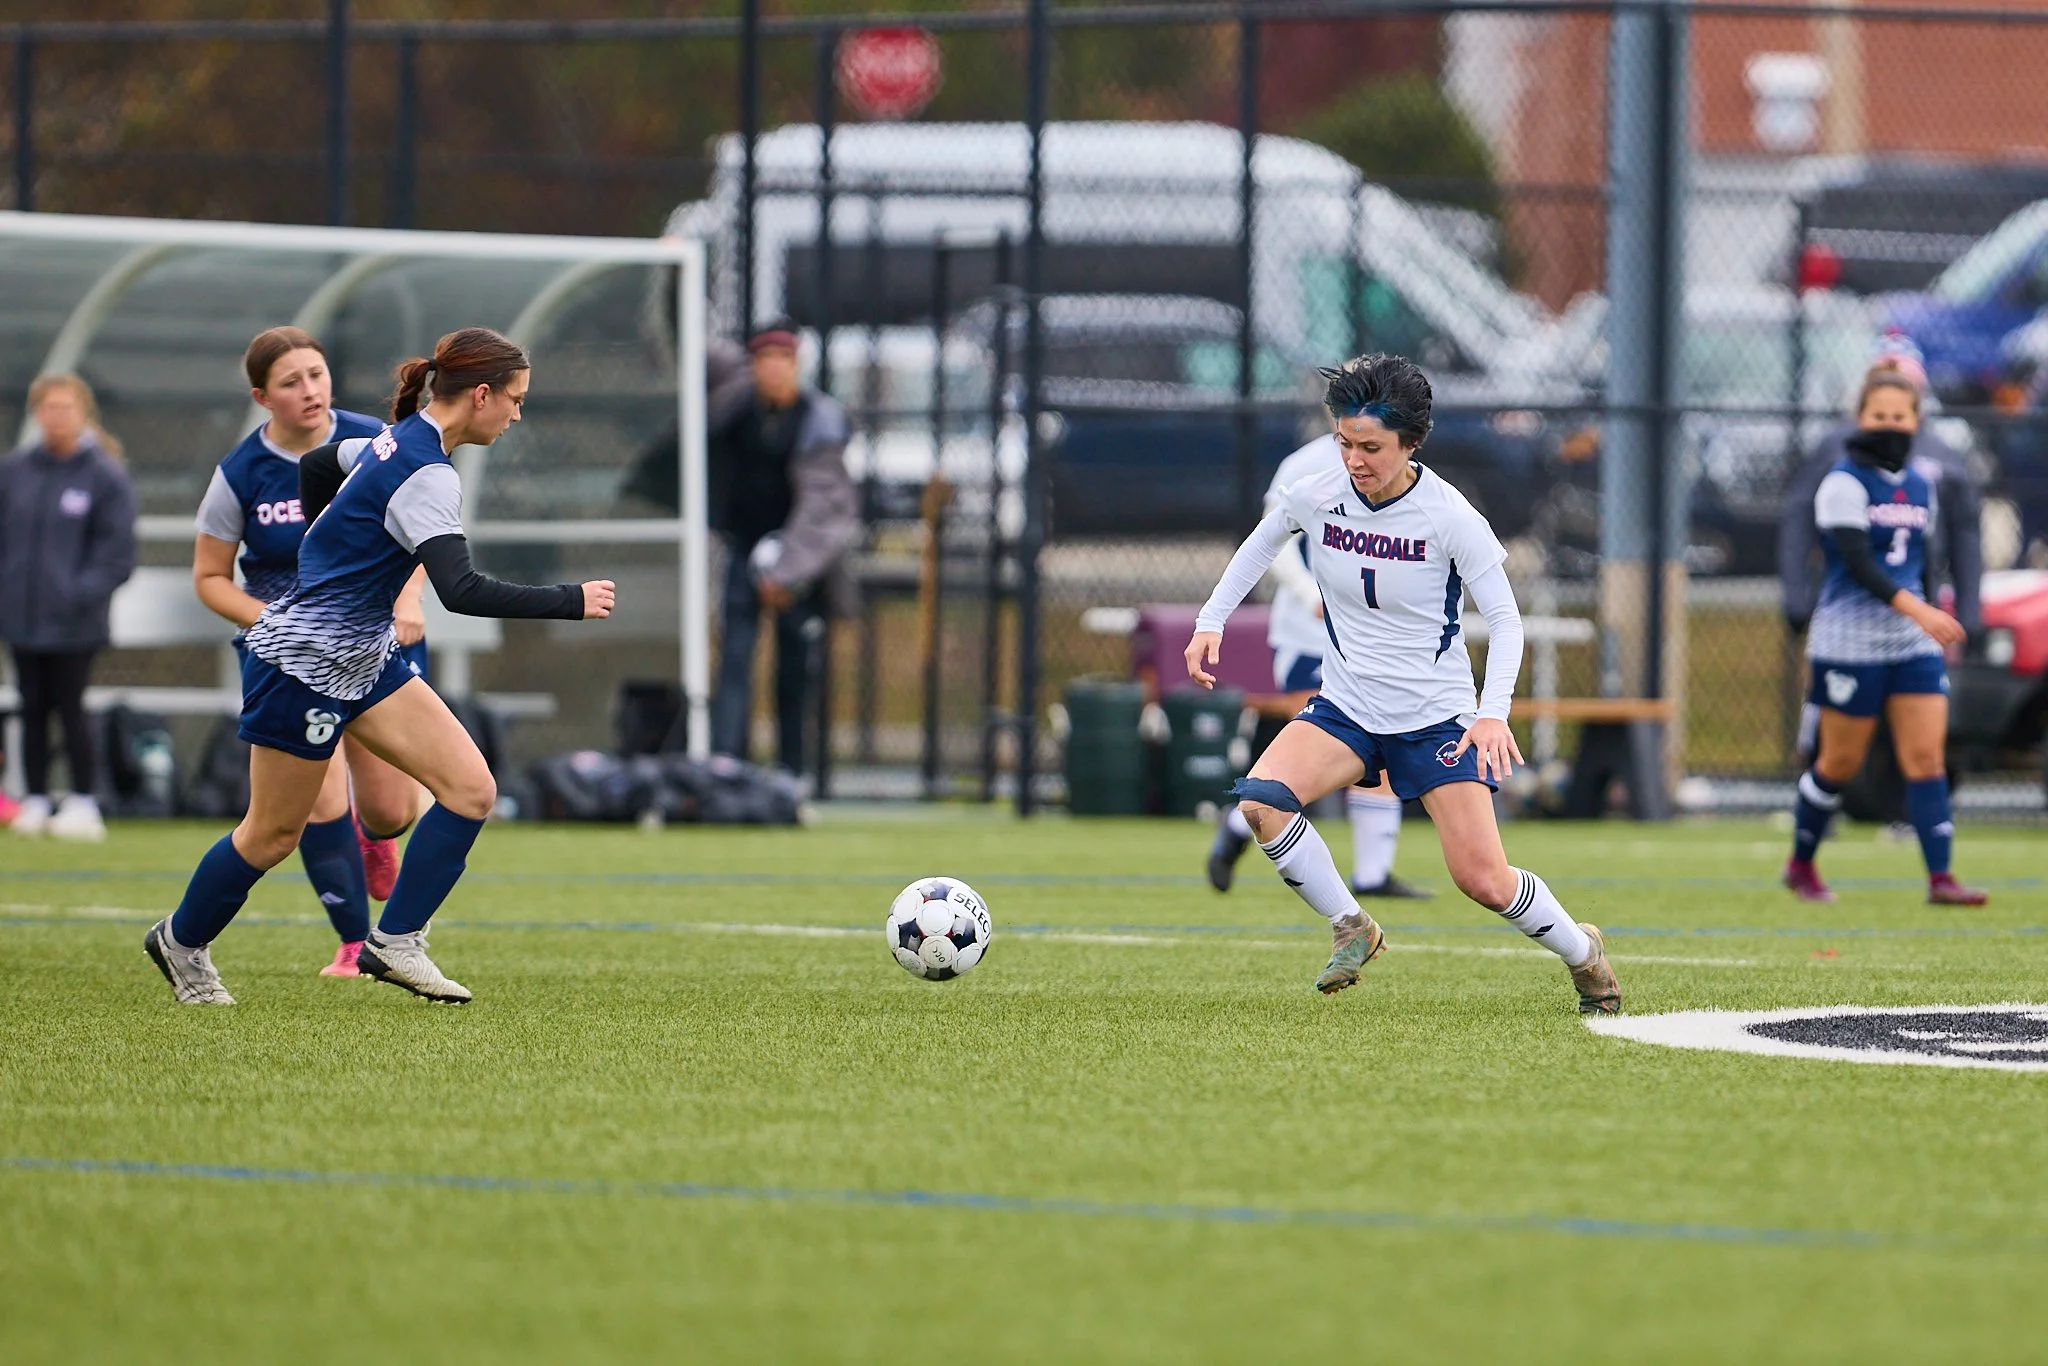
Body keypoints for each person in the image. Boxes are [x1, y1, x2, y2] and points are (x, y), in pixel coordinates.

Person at [144, 327, 617, 1006]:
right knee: (271, 835)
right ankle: (180, 941)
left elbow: (319, 466)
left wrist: (329, 546)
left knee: (470, 790)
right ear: (481, 395)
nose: (518, 414)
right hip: (303, 664)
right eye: (516, 399)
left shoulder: (395, 439)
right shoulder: (427, 472)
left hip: (366, 659)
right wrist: (571, 600)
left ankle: (395, 942)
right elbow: (462, 590)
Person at [1184, 354, 1620, 1013]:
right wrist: (1210, 621)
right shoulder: (1318, 492)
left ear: (1412, 442)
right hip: (1347, 707)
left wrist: (1492, 713)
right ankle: (1351, 925)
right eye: (1344, 443)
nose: (1353, 460)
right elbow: (1262, 542)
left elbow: (1506, 621)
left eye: (1371, 448)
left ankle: (1584, 953)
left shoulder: (1449, 516)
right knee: (1263, 802)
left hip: (1435, 718)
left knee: (1483, 880)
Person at [192, 325, 427, 977]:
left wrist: (408, 600)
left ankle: (374, 838)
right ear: (262, 398)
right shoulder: (241, 473)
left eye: (316, 375)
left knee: (390, 809)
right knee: (315, 803)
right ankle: (354, 943)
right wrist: (276, 620)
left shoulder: (374, 444)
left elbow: (423, 531)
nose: (309, 390)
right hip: (288, 658)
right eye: (291, 382)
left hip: (373, 641)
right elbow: (209, 578)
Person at [1781, 370, 1985, 906]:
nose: (1889, 425)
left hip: (1910, 640)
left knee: (1926, 758)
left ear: (1917, 421)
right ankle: (1801, 863)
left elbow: (1922, 561)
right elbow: (1859, 565)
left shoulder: (1921, 483)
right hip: (1848, 641)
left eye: (1900, 416)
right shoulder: (1841, 484)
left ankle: (1941, 878)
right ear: (1859, 418)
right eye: (1879, 415)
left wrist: (1932, 614)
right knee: (1838, 764)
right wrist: (1923, 611)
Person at [1205, 435, 1430, 899]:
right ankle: (1237, 825)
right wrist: (1310, 594)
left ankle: (1372, 874)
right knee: (1316, 756)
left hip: (1368, 642)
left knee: (1384, 747)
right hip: (1307, 637)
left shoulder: (1401, 471)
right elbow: (1273, 542)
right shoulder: (1305, 464)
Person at [706, 321, 858, 772]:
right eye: (765, 360)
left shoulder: (817, 420)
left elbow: (825, 510)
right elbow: (687, 342)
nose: (774, 369)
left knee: (795, 666)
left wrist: (785, 572)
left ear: (796, 365)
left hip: (798, 561)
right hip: (742, 547)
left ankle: (792, 771)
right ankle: (726, 765)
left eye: (783, 360)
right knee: (734, 661)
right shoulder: (733, 407)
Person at [0, 373, 137, 841]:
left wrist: (75, 595)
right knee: (31, 707)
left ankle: (82, 799)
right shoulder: (15, 472)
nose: (56, 417)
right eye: (49, 408)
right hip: (21, 619)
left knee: (70, 707)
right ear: (36, 413)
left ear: (83, 413)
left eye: (65, 408)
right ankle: (36, 798)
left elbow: (117, 555)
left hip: (76, 624)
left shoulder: (104, 476)